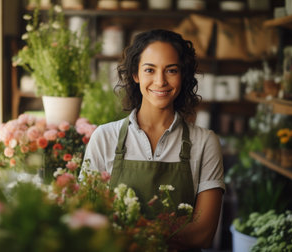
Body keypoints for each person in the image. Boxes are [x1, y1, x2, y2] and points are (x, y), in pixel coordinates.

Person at [82, 29, 224, 250]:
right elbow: (86, 219)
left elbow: (203, 234)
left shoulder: (205, 142)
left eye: (171, 70)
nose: (160, 81)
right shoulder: (104, 137)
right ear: (135, 75)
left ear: (183, 75)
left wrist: (128, 233)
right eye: (150, 70)